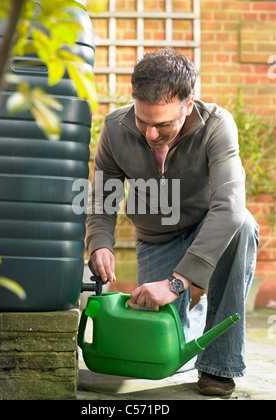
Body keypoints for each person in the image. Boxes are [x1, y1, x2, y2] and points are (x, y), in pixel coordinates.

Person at [85, 48, 259, 396]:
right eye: (143, 121)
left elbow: (229, 206)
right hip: (157, 237)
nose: (151, 134)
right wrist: (99, 243)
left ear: (188, 105)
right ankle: (198, 316)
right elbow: (102, 199)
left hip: (208, 229)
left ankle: (218, 367)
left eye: (163, 124)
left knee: (242, 225)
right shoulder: (115, 129)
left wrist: (176, 283)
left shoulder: (216, 126)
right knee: (161, 354)